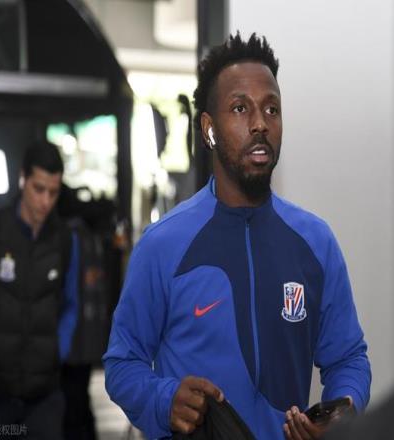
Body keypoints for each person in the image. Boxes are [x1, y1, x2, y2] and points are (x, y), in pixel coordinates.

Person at [103, 32, 371, 440]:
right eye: (240, 108)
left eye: (272, 109)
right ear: (209, 129)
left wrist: (343, 410)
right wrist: (165, 399)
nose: (260, 123)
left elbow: (348, 357)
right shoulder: (162, 245)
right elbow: (122, 364)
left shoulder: (316, 242)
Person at [0, 141, 79, 440]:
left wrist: (58, 351)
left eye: (53, 192)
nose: (45, 201)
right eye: (38, 189)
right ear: (22, 179)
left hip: (45, 396)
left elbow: (71, 304)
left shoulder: (65, 240)